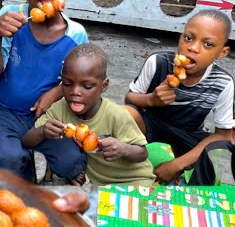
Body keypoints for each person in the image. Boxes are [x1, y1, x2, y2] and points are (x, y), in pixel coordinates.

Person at [0, 0, 87, 184]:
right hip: (6, 112)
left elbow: (79, 81)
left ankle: (47, 165)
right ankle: (22, 167)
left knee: (72, 163)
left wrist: (56, 92)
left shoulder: (76, 35)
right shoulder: (11, 19)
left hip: (47, 117)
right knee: (7, 161)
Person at [125, 9, 235, 186]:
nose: (193, 47)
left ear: (222, 53)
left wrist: (176, 164)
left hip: (188, 132)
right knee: (123, 115)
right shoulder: (158, 62)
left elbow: (223, 135)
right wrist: (151, 100)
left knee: (217, 150)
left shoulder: (222, 82)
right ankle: (119, 170)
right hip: (152, 123)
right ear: (180, 37)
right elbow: (129, 100)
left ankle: (192, 195)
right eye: (188, 38)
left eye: (208, 45)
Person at [23, 44, 154, 187]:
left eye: (87, 86)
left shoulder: (115, 115)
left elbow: (142, 153)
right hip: (100, 185)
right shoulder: (59, 109)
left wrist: (123, 149)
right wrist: (42, 131)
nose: (75, 92)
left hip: (135, 181)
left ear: (103, 86)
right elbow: (27, 141)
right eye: (67, 84)